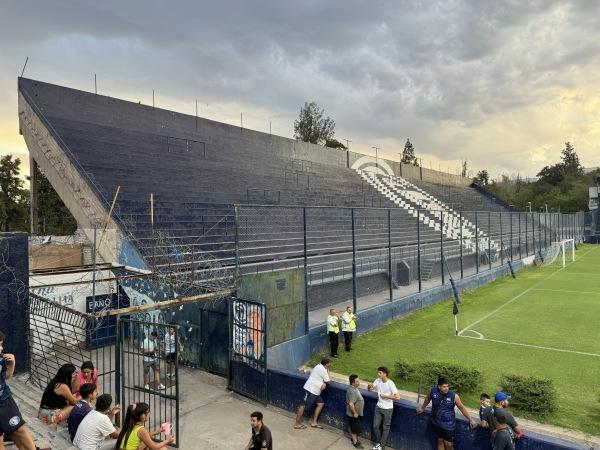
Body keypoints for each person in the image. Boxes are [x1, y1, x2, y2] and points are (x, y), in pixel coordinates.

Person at [0, 331, 41, 450]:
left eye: (2, 344)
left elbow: (6, 376)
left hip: (4, 400)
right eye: (0, 344)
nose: (2, 348)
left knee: (19, 429)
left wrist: (12, 363)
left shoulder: (1, 360)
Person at [416, 377, 477, 450]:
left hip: (449, 424)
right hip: (437, 422)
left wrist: (470, 419)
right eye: (444, 387)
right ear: (439, 387)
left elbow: (461, 407)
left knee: (449, 444)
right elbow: (427, 398)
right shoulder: (433, 391)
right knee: (440, 441)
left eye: (447, 386)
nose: (446, 388)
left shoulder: (454, 396)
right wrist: (422, 408)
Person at [294, 357, 331, 430]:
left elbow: (326, 374)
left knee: (320, 404)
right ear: (327, 364)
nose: (330, 364)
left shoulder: (319, 366)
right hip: (311, 390)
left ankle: (314, 422)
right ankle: (297, 424)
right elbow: (328, 381)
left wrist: (324, 382)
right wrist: (325, 382)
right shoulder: (323, 370)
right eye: (329, 363)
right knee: (303, 405)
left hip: (315, 392)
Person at [367, 366, 400, 450]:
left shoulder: (390, 383)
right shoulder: (377, 380)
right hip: (379, 406)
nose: (378, 374)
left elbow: (398, 397)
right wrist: (369, 386)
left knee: (386, 428)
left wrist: (386, 396)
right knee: (375, 426)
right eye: (378, 372)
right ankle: (379, 443)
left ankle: (382, 446)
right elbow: (370, 390)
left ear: (385, 374)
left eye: (380, 373)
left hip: (388, 409)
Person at [346, 374, 364, 449]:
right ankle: (355, 442)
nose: (359, 382)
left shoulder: (352, 387)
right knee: (354, 428)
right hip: (353, 414)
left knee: (353, 427)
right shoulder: (353, 391)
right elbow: (351, 404)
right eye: (357, 381)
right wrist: (355, 413)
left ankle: (354, 439)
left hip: (353, 413)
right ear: (353, 383)